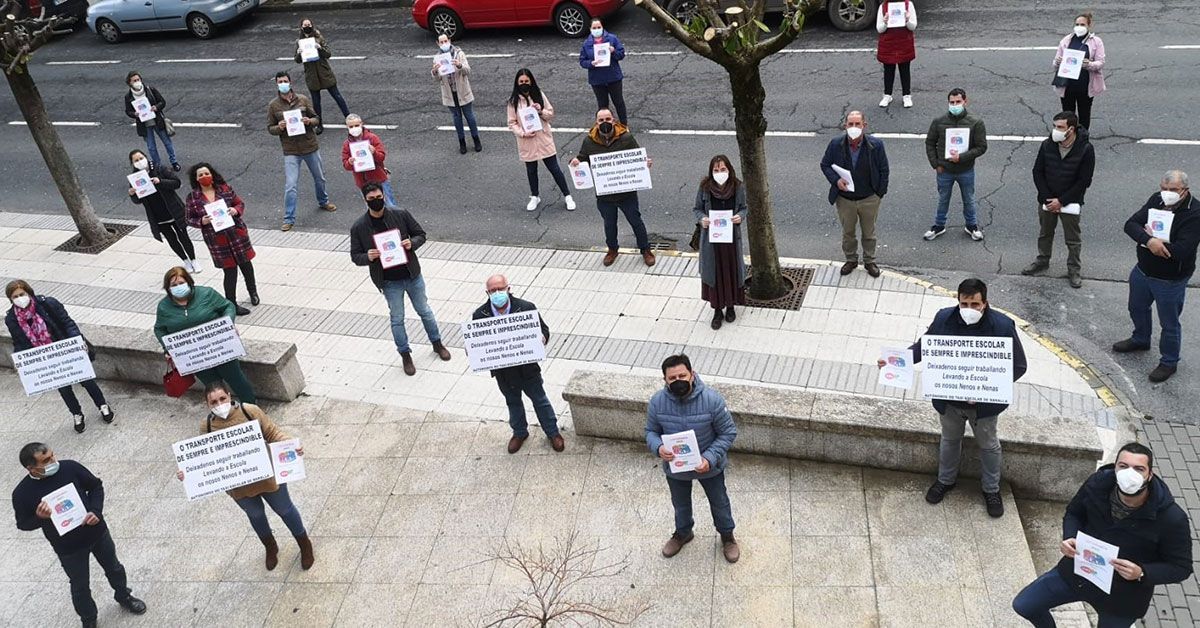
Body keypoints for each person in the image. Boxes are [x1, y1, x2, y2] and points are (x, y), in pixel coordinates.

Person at [888, 278, 1027, 518]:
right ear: (958, 301)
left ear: (985, 303)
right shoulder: (943, 319)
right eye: (965, 304)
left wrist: (988, 387)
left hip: (984, 406)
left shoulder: (1003, 326)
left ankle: (991, 490)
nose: (970, 310)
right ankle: (945, 481)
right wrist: (893, 361)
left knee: (989, 445)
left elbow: (1019, 365)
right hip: (950, 402)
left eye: (975, 304)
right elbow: (923, 348)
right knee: (950, 440)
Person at [1012, 443, 1193, 627]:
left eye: (1139, 469)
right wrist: (1069, 537)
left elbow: (1181, 567)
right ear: (1115, 468)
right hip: (1079, 574)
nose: (1129, 474)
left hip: (1122, 598)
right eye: (1123, 466)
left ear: (1150, 475)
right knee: (1025, 605)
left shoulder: (1172, 518)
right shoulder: (1097, 484)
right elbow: (1074, 513)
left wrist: (1142, 572)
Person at [176, 380, 314, 571]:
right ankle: (270, 546)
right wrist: (187, 473)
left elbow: (272, 433)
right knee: (256, 515)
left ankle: (304, 544)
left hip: (267, 475)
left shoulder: (249, 411)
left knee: (285, 509)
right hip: (239, 485)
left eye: (222, 398)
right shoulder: (206, 426)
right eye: (213, 402)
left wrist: (291, 444)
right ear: (207, 405)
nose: (219, 405)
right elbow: (204, 459)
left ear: (229, 396)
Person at [12, 442, 147, 628]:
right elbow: (23, 524)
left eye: (52, 455)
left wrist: (96, 511)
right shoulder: (22, 493)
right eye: (46, 460)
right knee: (80, 586)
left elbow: (95, 486)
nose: (53, 461)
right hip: (68, 548)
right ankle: (89, 619)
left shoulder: (70, 468)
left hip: (97, 533)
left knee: (114, 568)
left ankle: (124, 596)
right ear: (31, 468)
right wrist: (39, 517)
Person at [349, 183, 451, 376]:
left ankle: (437, 344)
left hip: (412, 275)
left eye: (379, 197)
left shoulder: (401, 214)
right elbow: (355, 256)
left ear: (384, 196)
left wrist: (411, 243)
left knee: (425, 311)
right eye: (371, 199)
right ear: (365, 201)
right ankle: (405, 354)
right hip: (388, 282)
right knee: (397, 319)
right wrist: (368, 257)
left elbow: (421, 234)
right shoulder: (359, 227)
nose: (376, 201)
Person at [646, 354, 739, 563]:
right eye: (672, 378)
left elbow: (728, 432)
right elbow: (650, 431)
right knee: (680, 504)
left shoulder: (712, 400)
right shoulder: (657, 403)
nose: (678, 380)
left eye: (682, 375)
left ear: (692, 374)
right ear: (665, 380)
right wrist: (658, 447)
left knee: (719, 502)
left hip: (709, 467)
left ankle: (727, 536)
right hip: (676, 467)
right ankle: (683, 533)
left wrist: (710, 457)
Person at [1114, 171, 1199, 383]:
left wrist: (1149, 239)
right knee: (1136, 307)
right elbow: (1130, 224)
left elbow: (1182, 250)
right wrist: (1149, 240)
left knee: (1169, 323)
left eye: (1172, 190)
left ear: (1184, 191)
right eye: (1164, 188)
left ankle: (1169, 361)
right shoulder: (1156, 199)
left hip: (1170, 280)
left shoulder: (1195, 213)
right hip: (1143, 270)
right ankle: (1141, 338)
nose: (1166, 194)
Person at [6, 281, 113, 434]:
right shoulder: (12, 319)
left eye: (22, 294)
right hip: (46, 359)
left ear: (29, 292)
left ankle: (102, 405)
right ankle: (76, 413)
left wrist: (77, 340)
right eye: (15, 296)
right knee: (63, 389)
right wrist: (18, 359)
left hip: (65, 350)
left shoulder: (47, 304)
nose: (20, 298)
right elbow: (18, 341)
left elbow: (67, 323)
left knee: (87, 380)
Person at [472, 275, 562, 454]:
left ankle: (553, 432)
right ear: (487, 293)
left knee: (540, 400)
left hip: (527, 370)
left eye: (500, 288)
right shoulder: (480, 314)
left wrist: (542, 338)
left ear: (508, 288)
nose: (497, 293)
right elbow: (477, 341)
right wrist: (474, 350)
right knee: (513, 402)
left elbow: (543, 329)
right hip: (503, 372)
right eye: (492, 290)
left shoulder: (526, 308)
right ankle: (519, 433)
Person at [154, 266, 257, 403]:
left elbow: (228, 307)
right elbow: (160, 329)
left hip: (220, 347)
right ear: (168, 288)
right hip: (195, 356)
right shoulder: (164, 307)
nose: (178, 287)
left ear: (189, 282)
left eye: (181, 283)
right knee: (212, 386)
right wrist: (167, 348)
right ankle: (222, 410)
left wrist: (227, 324)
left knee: (236, 379)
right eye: (174, 285)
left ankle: (251, 409)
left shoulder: (207, 294)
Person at [569, 109, 655, 268]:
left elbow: (637, 157)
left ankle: (646, 250)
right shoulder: (589, 141)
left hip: (626, 193)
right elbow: (583, 158)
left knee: (636, 221)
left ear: (614, 120)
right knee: (609, 223)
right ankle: (612, 249)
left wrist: (645, 164)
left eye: (607, 119)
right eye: (601, 120)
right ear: (596, 123)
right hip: (605, 194)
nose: (605, 122)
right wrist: (575, 161)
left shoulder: (626, 138)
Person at [1022, 111, 1096, 289]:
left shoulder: (1085, 149)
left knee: (1073, 239)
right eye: (1055, 126)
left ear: (1071, 129)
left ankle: (1074, 269)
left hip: (1070, 202)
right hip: (1047, 201)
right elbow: (1037, 172)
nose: (1056, 130)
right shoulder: (1048, 145)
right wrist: (1048, 198)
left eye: (1060, 127)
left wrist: (1061, 201)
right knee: (1045, 233)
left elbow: (1084, 181)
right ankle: (1042, 260)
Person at [819, 111, 890, 278]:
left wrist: (880, 193)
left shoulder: (876, 145)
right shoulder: (836, 144)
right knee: (848, 232)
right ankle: (851, 259)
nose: (854, 127)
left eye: (857, 124)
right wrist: (836, 181)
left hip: (869, 198)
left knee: (869, 232)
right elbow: (825, 165)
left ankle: (869, 260)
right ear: (845, 126)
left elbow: (884, 170)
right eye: (850, 124)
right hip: (845, 200)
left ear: (864, 125)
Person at [183, 163, 258, 316]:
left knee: (246, 266)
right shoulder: (193, 197)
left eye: (206, 173)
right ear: (196, 179)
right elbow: (189, 218)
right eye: (200, 175)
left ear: (212, 174)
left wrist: (235, 210)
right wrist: (201, 222)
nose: (204, 177)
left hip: (235, 234)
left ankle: (253, 292)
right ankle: (231, 303)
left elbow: (239, 203)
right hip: (217, 240)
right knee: (230, 272)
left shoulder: (224, 189)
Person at [267, 71, 336, 232]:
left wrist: (309, 121)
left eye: (285, 81)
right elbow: (270, 128)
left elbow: (316, 118)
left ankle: (323, 201)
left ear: (290, 83)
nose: (282, 83)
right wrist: (280, 127)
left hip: (309, 146)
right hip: (291, 150)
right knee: (290, 185)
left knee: (319, 178)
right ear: (277, 84)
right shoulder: (273, 105)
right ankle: (288, 218)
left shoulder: (303, 99)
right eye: (279, 81)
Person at [506, 69, 575, 213]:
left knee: (554, 169)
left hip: (543, 138)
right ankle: (534, 196)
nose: (524, 84)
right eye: (521, 82)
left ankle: (567, 195)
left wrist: (540, 111)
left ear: (531, 81)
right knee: (531, 170)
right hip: (527, 141)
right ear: (517, 83)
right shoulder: (513, 102)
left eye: (526, 81)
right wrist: (523, 133)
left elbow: (550, 115)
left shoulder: (539, 95)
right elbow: (512, 123)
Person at [923, 88, 988, 242]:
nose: (955, 105)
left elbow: (982, 147)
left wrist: (962, 157)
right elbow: (930, 143)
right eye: (952, 102)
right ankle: (939, 225)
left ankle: (971, 225)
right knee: (943, 199)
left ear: (965, 101)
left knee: (969, 199)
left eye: (958, 102)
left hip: (965, 169)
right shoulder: (938, 121)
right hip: (944, 169)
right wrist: (935, 164)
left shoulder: (976, 122)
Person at [694, 155, 748, 330]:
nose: (719, 173)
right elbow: (697, 209)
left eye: (722, 169)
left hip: (731, 240)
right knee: (715, 274)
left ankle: (731, 306)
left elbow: (743, 208)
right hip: (712, 242)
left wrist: (740, 216)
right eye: (716, 170)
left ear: (729, 170)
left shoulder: (737, 186)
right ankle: (717, 310)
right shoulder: (705, 188)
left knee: (731, 271)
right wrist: (703, 219)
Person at [126, 148, 200, 273]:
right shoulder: (134, 178)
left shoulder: (159, 169)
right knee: (172, 240)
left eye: (141, 158)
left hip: (173, 210)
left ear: (146, 157)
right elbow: (137, 201)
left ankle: (194, 260)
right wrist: (132, 193)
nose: (139, 161)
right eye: (136, 160)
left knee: (183, 236)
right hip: (158, 216)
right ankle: (185, 261)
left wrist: (160, 181)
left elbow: (176, 183)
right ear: (133, 164)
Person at [293, 18, 351, 131]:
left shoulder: (319, 38)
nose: (307, 26)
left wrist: (320, 48)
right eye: (305, 25)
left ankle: (348, 118)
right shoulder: (299, 42)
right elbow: (297, 60)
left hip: (324, 72)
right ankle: (319, 124)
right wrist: (299, 53)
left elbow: (328, 54)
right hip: (311, 75)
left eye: (309, 24)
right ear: (301, 27)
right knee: (316, 102)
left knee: (337, 96)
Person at [1053, 12, 1106, 130]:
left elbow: (1100, 63)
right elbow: (1055, 63)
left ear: (1089, 25)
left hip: (1085, 86)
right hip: (1067, 85)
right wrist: (1058, 62)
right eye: (1077, 24)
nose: (1079, 27)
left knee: (1084, 115)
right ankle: (1068, 137)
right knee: (1068, 116)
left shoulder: (1096, 42)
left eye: (1082, 24)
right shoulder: (1066, 40)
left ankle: (1082, 139)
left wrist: (1089, 64)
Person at [431, 34, 481, 155]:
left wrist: (459, 65)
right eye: (441, 42)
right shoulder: (437, 58)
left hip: (463, 91)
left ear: (450, 40)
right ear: (438, 43)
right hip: (450, 93)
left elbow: (468, 70)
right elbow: (436, 78)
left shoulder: (459, 53)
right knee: (456, 118)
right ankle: (462, 142)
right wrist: (435, 71)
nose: (444, 43)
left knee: (469, 116)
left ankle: (476, 140)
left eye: (446, 41)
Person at [123, 71, 179, 172]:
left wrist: (156, 107)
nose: (137, 82)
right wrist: (134, 114)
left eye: (138, 79)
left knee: (167, 142)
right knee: (151, 147)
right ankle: (158, 166)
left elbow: (162, 102)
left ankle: (174, 162)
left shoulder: (150, 90)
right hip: (144, 124)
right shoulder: (129, 96)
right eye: (134, 81)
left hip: (157, 120)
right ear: (130, 83)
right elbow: (128, 111)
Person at [579, 18, 628, 125]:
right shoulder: (586, 44)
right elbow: (582, 61)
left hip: (613, 77)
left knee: (618, 102)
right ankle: (604, 125)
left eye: (599, 27)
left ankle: (624, 124)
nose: (597, 29)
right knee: (602, 105)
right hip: (597, 80)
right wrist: (591, 63)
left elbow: (621, 54)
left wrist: (613, 51)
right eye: (594, 28)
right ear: (590, 29)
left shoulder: (612, 39)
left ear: (602, 27)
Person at [341, 114, 394, 206]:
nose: (354, 128)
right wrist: (350, 162)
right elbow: (345, 165)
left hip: (379, 179)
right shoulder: (347, 144)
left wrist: (374, 152)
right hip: (363, 182)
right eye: (351, 126)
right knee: (372, 207)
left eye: (356, 125)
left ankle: (393, 220)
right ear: (347, 127)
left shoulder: (372, 138)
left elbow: (382, 157)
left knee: (390, 205)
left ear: (361, 124)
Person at [875, 0, 917, 108]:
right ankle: (887, 95)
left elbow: (913, 26)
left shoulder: (908, 5)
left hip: (904, 42)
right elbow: (879, 29)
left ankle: (906, 95)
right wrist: (885, 22)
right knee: (888, 70)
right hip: (888, 43)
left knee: (905, 69)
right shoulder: (883, 6)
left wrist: (907, 20)